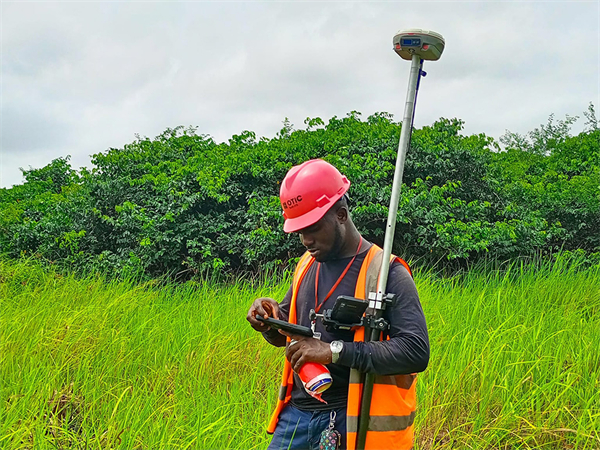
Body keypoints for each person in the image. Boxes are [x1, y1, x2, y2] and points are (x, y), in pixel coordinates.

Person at [246, 159, 429, 450]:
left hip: (353, 415)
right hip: (298, 414)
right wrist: (268, 322)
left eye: (313, 228)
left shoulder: (385, 273)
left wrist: (333, 352)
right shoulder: (306, 265)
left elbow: (415, 351)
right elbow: (290, 338)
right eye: (299, 231)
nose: (306, 240)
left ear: (341, 214)